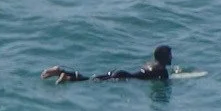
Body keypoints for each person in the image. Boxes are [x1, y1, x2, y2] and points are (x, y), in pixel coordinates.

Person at [43, 44, 174, 83]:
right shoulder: (162, 71)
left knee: (91, 78)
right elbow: (164, 83)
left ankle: (60, 71)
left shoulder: (150, 64)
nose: (171, 57)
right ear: (164, 57)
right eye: (169, 55)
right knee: (91, 81)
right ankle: (66, 77)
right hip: (123, 77)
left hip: (120, 72)